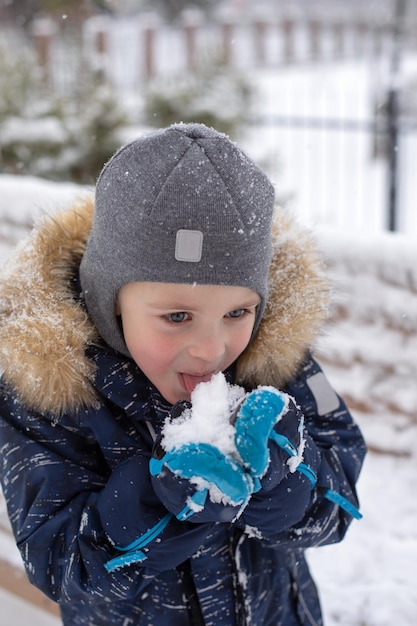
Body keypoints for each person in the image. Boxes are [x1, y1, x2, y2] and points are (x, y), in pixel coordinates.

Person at [0, 123, 366, 626]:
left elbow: (341, 492)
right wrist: (156, 503)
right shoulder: (50, 394)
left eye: (237, 313)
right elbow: (62, 566)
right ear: (111, 304)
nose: (212, 349)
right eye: (177, 317)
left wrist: (290, 479)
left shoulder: (276, 364)